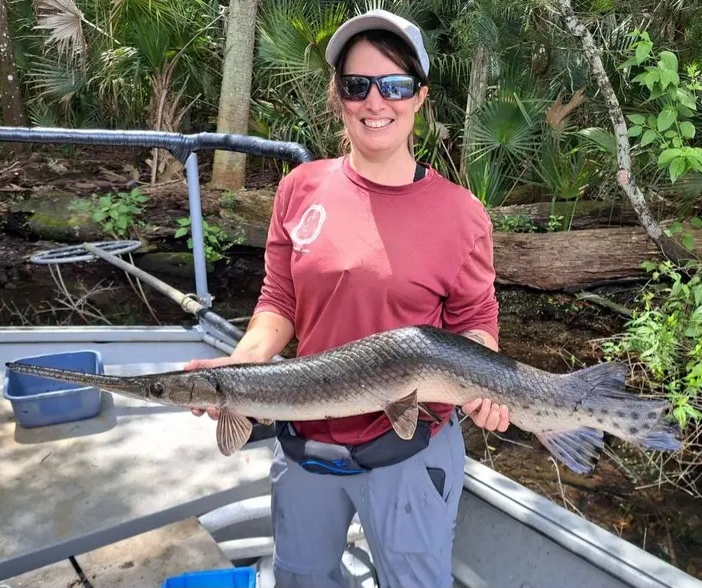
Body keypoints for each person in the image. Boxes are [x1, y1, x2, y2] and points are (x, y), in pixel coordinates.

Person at [186, 8, 509, 588]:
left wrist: (485, 385)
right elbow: (279, 302)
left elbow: (474, 323)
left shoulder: (461, 213)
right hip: (303, 440)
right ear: (339, 95)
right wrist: (238, 370)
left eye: (394, 85)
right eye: (358, 85)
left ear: (419, 97)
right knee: (302, 578)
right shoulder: (299, 187)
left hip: (409, 451)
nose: (375, 101)